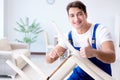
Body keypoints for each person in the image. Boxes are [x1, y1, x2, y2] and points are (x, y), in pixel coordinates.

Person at [46, 0, 116, 80]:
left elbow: (112, 57)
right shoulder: (69, 36)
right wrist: (52, 55)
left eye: (79, 14)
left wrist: (94, 52)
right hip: (80, 75)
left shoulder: (100, 30)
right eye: (72, 15)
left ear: (86, 15)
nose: (76, 19)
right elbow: (49, 60)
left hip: (100, 76)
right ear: (69, 18)